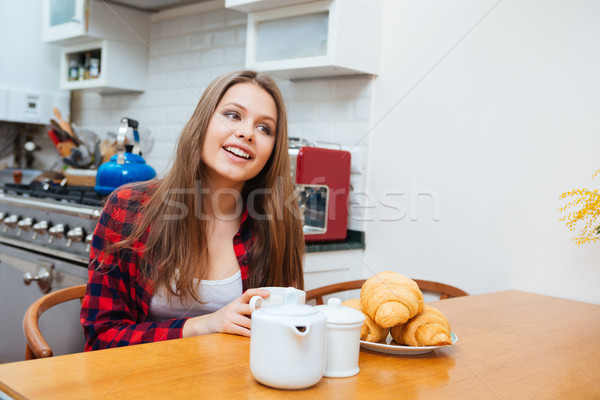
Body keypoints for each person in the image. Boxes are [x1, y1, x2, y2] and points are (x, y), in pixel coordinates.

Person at [80, 70, 305, 350]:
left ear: (272, 151)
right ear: (202, 123)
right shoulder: (128, 208)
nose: (247, 133)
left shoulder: (277, 222)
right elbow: (101, 338)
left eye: (264, 128)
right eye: (233, 115)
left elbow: (283, 328)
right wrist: (205, 324)